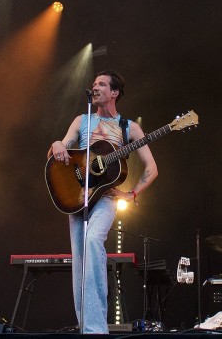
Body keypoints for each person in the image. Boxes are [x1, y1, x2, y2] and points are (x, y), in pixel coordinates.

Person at [50, 70, 158, 333]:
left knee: (93, 241)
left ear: (114, 92)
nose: (95, 87)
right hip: (76, 196)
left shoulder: (129, 128)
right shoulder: (81, 120)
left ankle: (97, 328)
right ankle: (86, 326)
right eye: (94, 83)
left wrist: (131, 194)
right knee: (79, 260)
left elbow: (151, 168)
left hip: (106, 198)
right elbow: (63, 147)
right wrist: (57, 144)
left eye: (101, 84)